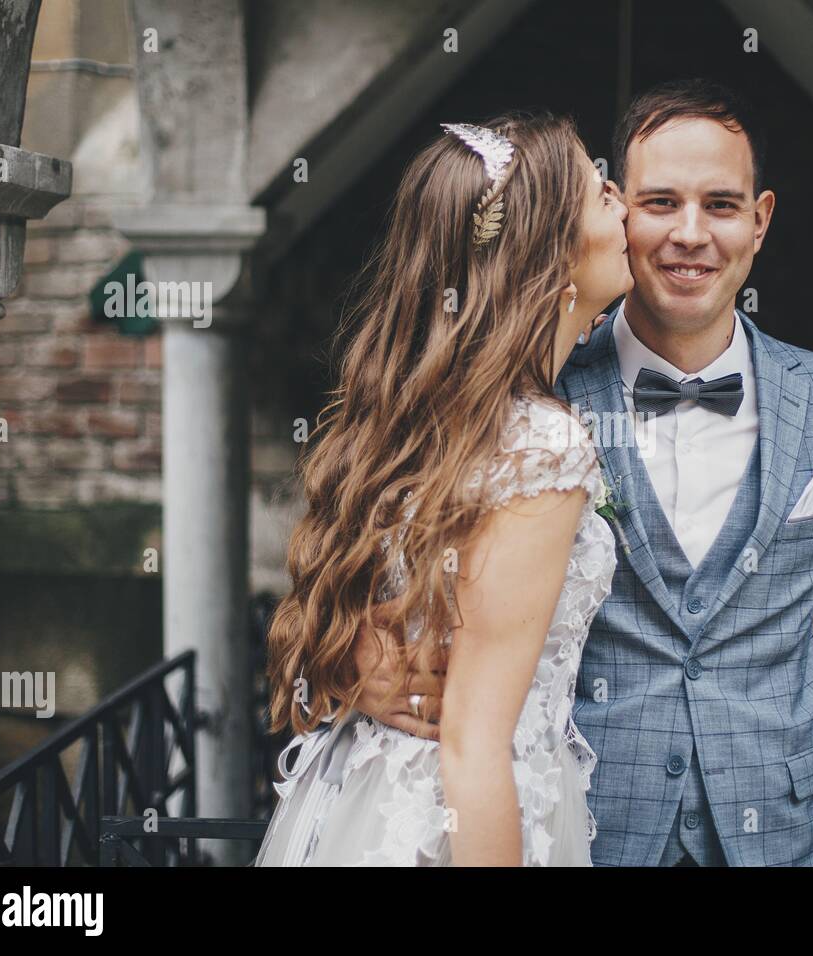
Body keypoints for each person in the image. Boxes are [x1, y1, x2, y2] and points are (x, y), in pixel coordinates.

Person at [355, 79, 813, 867]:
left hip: (783, 842)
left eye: (720, 205)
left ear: (759, 220)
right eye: (659, 203)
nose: (690, 234)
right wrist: (358, 668)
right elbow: (377, 566)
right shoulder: (532, 395)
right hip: (589, 837)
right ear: (616, 211)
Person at [255, 110, 632, 865]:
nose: (622, 201)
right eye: (600, 192)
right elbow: (474, 741)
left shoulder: (421, 413)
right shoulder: (543, 445)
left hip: (368, 800)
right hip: (456, 815)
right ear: (551, 250)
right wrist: (355, 662)